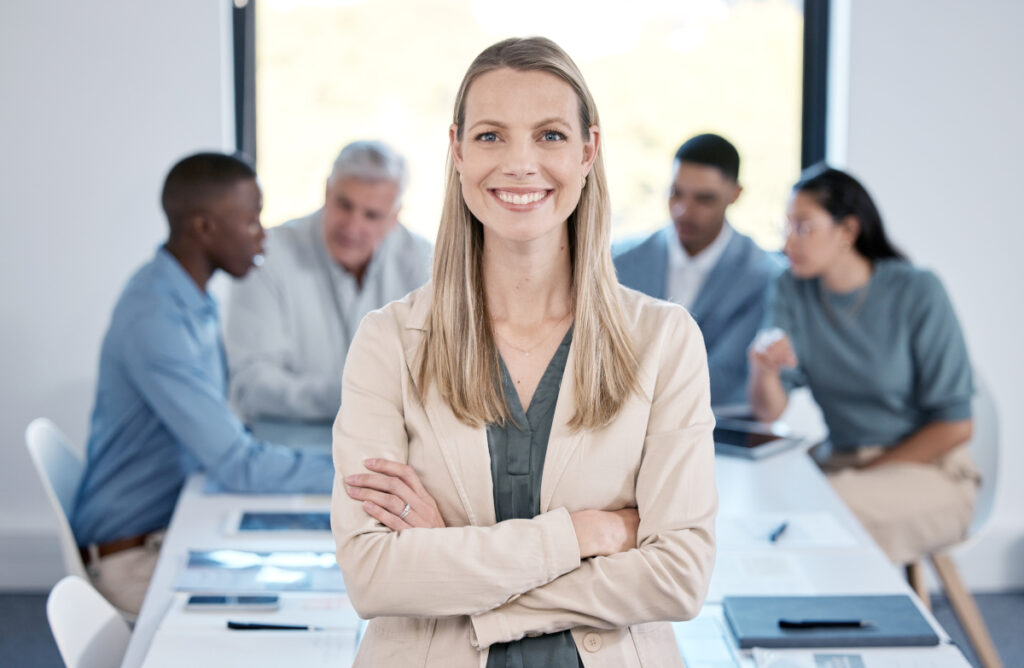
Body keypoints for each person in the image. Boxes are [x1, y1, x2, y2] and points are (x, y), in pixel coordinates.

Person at [331, 37, 716, 667]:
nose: (519, 163)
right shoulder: (389, 342)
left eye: (550, 136)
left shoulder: (664, 340)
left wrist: (455, 564)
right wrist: (584, 534)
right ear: (457, 150)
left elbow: (677, 577)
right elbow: (373, 575)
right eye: (490, 136)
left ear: (588, 150)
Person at [71, 153, 334, 616]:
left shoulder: (187, 297)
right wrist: (361, 473)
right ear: (204, 228)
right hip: (132, 560)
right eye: (251, 220)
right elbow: (238, 465)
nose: (263, 235)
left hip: (169, 529)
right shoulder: (157, 319)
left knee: (317, 575)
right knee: (304, 604)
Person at [748, 164, 978, 565]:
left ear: (848, 231)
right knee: (758, 497)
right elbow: (770, 412)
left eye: (803, 227)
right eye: (785, 227)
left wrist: (864, 474)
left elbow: (956, 426)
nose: (787, 242)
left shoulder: (917, 290)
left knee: (823, 512)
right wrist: (763, 368)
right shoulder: (790, 288)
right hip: (841, 460)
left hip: (930, 471)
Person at [225, 141, 432, 422]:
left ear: (394, 218)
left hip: (393, 441)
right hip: (287, 443)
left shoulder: (424, 262)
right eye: (344, 205)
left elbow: (437, 375)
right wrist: (356, 395)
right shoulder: (268, 256)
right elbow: (249, 385)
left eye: (371, 215)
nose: (353, 227)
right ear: (326, 192)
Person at [614, 134, 781, 407]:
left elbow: (724, 373)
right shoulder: (619, 260)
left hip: (716, 425)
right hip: (620, 420)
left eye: (704, 199)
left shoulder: (762, 276)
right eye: (675, 193)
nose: (683, 211)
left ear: (735, 194)